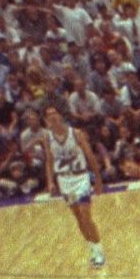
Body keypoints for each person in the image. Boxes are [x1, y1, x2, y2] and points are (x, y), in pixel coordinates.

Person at [40, 103, 105, 270]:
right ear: (46, 120)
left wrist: (98, 179)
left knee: (85, 215)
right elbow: (49, 160)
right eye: (49, 115)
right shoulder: (47, 137)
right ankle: (92, 249)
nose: (53, 116)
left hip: (81, 177)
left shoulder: (75, 133)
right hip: (64, 180)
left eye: (55, 112)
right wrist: (50, 181)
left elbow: (90, 156)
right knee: (78, 219)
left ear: (61, 116)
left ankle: (99, 252)